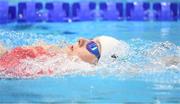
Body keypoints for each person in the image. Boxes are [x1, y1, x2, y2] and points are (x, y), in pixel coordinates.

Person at [0, 36, 129, 76]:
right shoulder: (51, 55)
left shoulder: (63, 69)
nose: (81, 40)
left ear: (98, 62)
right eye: (90, 39)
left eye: (92, 46)